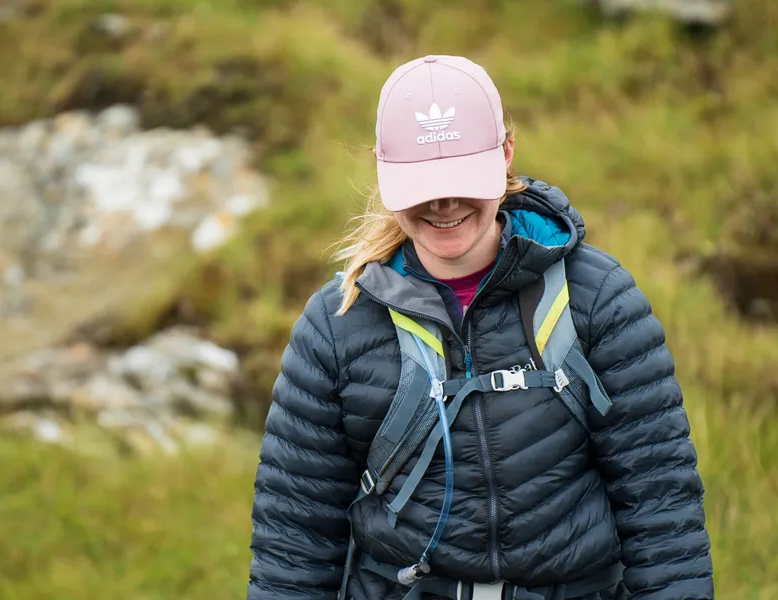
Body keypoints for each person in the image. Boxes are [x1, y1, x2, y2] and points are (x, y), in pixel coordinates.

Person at [245, 55, 713, 600]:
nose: (444, 203)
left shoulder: (597, 299)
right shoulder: (335, 326)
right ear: (381, 168)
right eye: (422, 183)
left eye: (462, 177)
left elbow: (661, 506)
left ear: (507, 153)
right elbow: (293, 540)